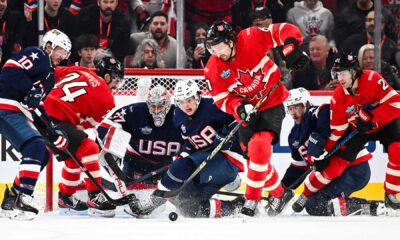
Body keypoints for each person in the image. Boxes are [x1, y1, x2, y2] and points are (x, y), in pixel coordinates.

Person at [204, 20, 308, 217]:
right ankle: (280, 194)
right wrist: (239, 107)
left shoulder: (250, 38)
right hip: (247, 112)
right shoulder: (212, 68)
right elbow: (220, 99)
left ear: (231, 41)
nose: (218, 53)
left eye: (220, 47)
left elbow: (284, 30)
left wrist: (291, 48)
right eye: (213, 49)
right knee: (254, 158)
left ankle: (252, 199)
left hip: (272, 101)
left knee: (259, 146)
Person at [293, 53, 400, 214]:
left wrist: (373, 117)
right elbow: (337, 132)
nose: (339, 77)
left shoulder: (372, 79)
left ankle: (391, 194)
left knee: (397, 151)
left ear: (354, 71)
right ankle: (305, 195)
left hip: (385, 123)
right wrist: (324, 154)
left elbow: (395, 103)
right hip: (360, 129)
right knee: (334, 166)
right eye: (336, 73)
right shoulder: (338, 98)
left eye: (343, 73)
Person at [127, 79, 246, 218]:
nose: (186, 105)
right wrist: (184, 152)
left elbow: (238, 120)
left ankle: (151, 203)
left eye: (189, 100)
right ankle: (237, 207)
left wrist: (227, 135)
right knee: (187, 206)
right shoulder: (178, 116)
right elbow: (190, 143)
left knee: (181, 167)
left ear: (197, 96)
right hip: (206, 161)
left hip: (227, 158)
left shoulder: (213, 106)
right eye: (182, 101)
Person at [0, 29, 71, 219]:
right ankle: (24, 198)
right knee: (35, 146)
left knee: (43, 155)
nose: (63, 57)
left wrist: (53, 131)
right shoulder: (39, 55)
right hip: (5, 106)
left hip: (17, 112)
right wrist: (29, 89)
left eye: (65, 54)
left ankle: (11, 198)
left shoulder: (50, 76)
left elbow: (36, 106)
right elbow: (9, 69)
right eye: (61, 51)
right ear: (49, 46)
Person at [41, 57, 124, 217]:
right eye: (116, 81)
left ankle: (65, 197)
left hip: (40, 112)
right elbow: (88, 124)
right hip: (56, 120)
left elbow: (52, 73)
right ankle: (95, 196)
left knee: (75, 157)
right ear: (107, 77)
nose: (116, 86)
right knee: (90, 148)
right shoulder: (108, 99)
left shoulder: (80, 70)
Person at [282, 88, 384, 216]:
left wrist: (319, 142)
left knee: (318, 204)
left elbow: (326, 112)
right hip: (332, 174)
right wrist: (283, 188)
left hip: (354, 169)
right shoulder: (294, 136)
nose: (293, 112)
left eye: (296, 107)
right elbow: (299, 166)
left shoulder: (317, 114)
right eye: (290, 108)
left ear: (307, 104)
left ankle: (373, 207)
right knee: (313, 205)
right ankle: (368, 206)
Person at [99, 85, 182, 188]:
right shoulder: (136, 111)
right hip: (135, 165)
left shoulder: (179, 115)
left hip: (165, 168)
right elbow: (105, 126)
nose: (156, 111)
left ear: (168, 104)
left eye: (160, 106)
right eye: (152, 106)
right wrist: (105, 144)